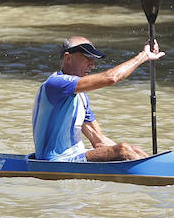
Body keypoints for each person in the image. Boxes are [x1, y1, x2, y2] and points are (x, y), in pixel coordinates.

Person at [32, 36, 165, 162]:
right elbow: (111, 78)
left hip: (76, 156)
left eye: (93, 59)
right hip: (55, 161)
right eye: (86, 58)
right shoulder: (55, 83)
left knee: (133, 149)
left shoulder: (81, 96)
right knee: (122, 149)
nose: (93, 65)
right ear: (68, 58)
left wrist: (129, 153)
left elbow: (99, 140)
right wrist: (143, 56)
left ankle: (159, 170)